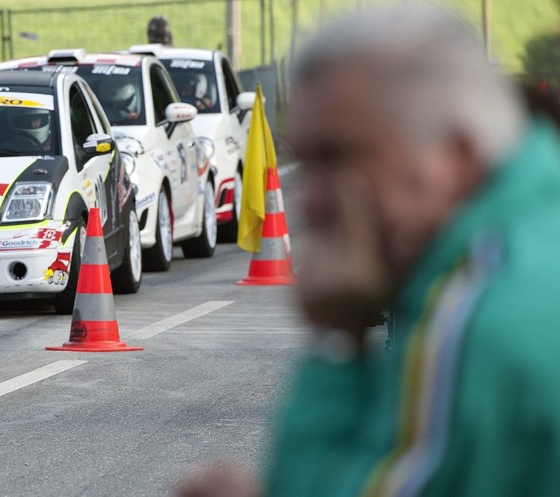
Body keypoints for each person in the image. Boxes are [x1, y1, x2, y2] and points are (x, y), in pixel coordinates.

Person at [177, 5, 560, 497]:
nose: (309, 201)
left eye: (338, 158)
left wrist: (337, 341)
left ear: (455, 156)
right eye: (306, 164)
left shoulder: (475, 318)